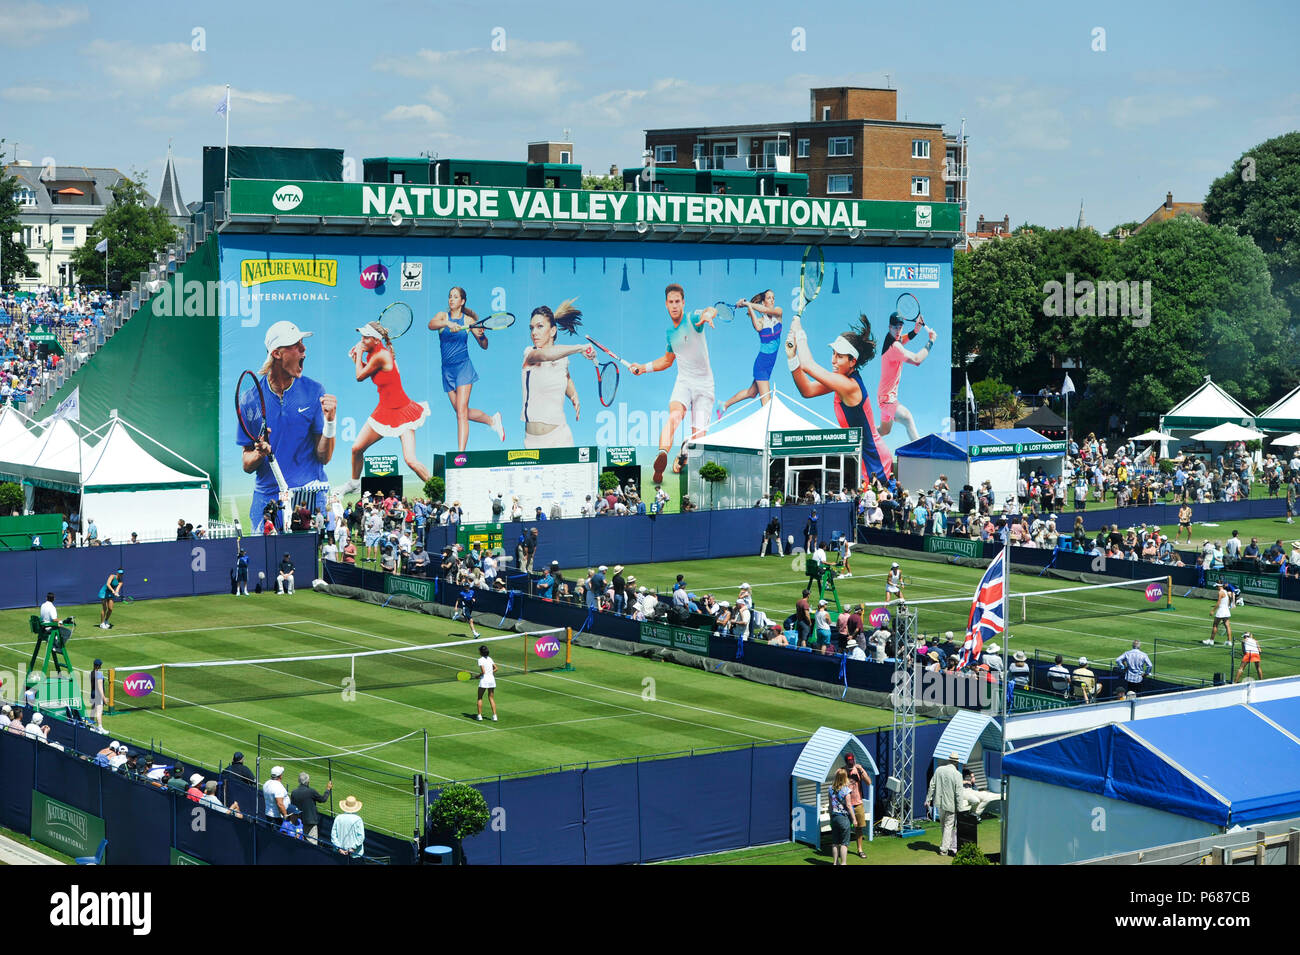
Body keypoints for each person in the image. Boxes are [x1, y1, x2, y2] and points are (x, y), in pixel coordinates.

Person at [237, 321, 337, 532]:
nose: (304, 349)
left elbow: (324, 457)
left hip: (307, 497)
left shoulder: (315, 390)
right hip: (267, 499)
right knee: (264, 563)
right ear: (277, 353)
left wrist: (330, 423)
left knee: (306, 563)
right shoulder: (249, 399)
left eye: (303, 343)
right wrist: (260, 453)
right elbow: (247, 463)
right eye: (296, 345)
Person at [786, 312, 892, 486]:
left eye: (840, 356)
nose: (834, 360)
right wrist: (792, 358)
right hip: (865, 459)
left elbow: (808, 365)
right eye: (833, 353)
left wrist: (799, 331)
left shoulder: (848, 385)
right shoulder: (841, 380)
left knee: (879, 512)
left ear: (852, 361)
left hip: (875, 460)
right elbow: (807, 390)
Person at [629, 284, 718, 484]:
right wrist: (643, 367)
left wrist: (708, 315)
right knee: (675, 416)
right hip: (684, 382)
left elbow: (709, 310)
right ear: (666, 305)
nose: (675, 305)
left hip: (705, 387)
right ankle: (662, 454)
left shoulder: (693, 318)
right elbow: (667, 361)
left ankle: (683, 454)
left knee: (698, 441)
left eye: (678, 301)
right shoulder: (670, 333)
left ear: (683, 303)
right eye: (671, 302)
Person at [337, 321, 432, 497]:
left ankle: (437, 490)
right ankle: (354, 484)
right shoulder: (375, 354)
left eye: (366, 337)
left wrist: (358, 355)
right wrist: (357, 358)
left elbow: (359, 376)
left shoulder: (382, 355)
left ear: (375, 339)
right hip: (384, 411)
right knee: (356, 449)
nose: (362, 340)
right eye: (361, 337)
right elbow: (368, 372)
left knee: (411, 460)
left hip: (403, 412)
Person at [426, 286, 504, 453]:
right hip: (447, 371)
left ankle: (461, 454)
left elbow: (484, 346)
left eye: (455, 297)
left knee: (461, 414)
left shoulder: (469, 321)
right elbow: (430, 325)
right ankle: (492, 420)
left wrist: (482, 335)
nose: (451, 299)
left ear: (462, 301)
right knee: (461, 412)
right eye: (450, 296)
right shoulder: (442, 316)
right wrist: (447, 323)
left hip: (463, 368)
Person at [520, 300, 596, 448]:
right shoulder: (530, 354)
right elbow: (548, 355)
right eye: (532, 328)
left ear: (553, 331)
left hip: (561, 438)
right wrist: (580, 348)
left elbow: (565, 376)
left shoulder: (563, 359)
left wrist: (574, 395)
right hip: (533, 442)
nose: (534, 332)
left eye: (539, 326)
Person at [876, 307, 937, 441]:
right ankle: (920, 450)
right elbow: (917, 360)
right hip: (887, 399)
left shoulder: (891, 339)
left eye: (900, 327)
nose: (898, 331)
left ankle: (862, 435)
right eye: (895, 327)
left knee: (884, 431)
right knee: (907, 417)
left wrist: (916, 330)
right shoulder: (894, 347)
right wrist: (931, 341)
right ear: (889, 327)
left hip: (885, 396)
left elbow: (903, 339)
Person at [719, 289, 783, 415]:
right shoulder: (759, 322)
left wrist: (747, 303)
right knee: (768, 406)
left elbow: (765, 311)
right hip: (762, 365)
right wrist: (749, 306)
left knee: (752, 393)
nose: (772, 300)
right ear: (763, 302)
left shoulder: (778, 313)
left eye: (773, 298)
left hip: (770, 365)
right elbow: (758, 327)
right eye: (769, 298)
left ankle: (724, 404)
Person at [926, 751, 964, 857]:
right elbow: (959, 794)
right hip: (951, 805)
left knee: (944, 826)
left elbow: (932, 785)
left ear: (949, 760)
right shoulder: (957, 775)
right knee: (948, 827)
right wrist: (960, 809)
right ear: (956, 763)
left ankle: (946, 846)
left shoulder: (939, 770)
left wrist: (928, 799)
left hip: (940, 803)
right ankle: (944, 849)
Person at [291, 771, 334, 844]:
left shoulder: (294, 792)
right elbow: (323, 799)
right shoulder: (311, 791)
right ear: (307, 781)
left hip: (298, 822)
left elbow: (292, 807)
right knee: (312, 843)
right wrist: (328, 789)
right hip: (310, 822)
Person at [844, 753, 871, 859]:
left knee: (859, 828)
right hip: (845, 805)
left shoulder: (859, 770)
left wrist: (862, 770)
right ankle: (843, 849)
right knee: (844, 828)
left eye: (852, 761)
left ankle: (860, 849)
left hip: (858, 804)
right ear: (846, 762)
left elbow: (869, 782)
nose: (851, 763)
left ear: (854, 761)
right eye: (849, 762)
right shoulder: (841, 771)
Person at [827, 767, 853, 866]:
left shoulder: (830, 789)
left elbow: (830, 806)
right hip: (843, 818)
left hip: (834, 817)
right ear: (845, 777)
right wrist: (854, 819)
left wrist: (831, 818)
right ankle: (843, 863)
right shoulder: (846, 790)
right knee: (844, 843)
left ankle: (835, 862)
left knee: (835, 842)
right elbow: (849, 806)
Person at [475, 645, 498, 722]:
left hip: (484, 680)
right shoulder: (490, 659)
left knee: (480, 697)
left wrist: (478, 676)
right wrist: (490, 672)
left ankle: (479, 716)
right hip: (492, 680)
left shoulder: (480, 660)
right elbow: (496, 668)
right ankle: (495, 716)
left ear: (481, 652)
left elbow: (483, 672)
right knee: (491, 698)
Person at [88, 658, 106, 732]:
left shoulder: (91, 673)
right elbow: (100, 687)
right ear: (100, 666)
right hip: (98, 695)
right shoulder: (99, 674)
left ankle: (91, 725)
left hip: (92, 694)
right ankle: (100, 727)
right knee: (99, 711)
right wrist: (104, 698)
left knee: (93, 710)